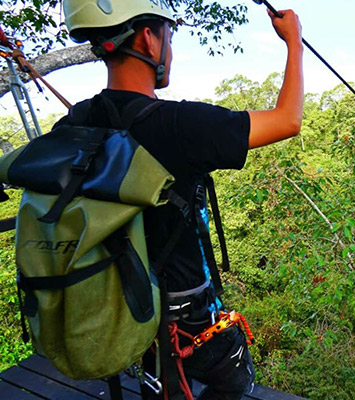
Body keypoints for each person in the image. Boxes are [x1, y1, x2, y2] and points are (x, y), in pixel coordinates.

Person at [60, 1, 304, 399]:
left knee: (160, 382)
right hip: (183, 314)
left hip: (117, 306)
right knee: (236, 378)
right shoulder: (179, 125)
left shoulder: (75, 121)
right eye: (168, 35)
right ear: (147, 38)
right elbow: (287, 119)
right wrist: (294, 43)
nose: (169, 48)